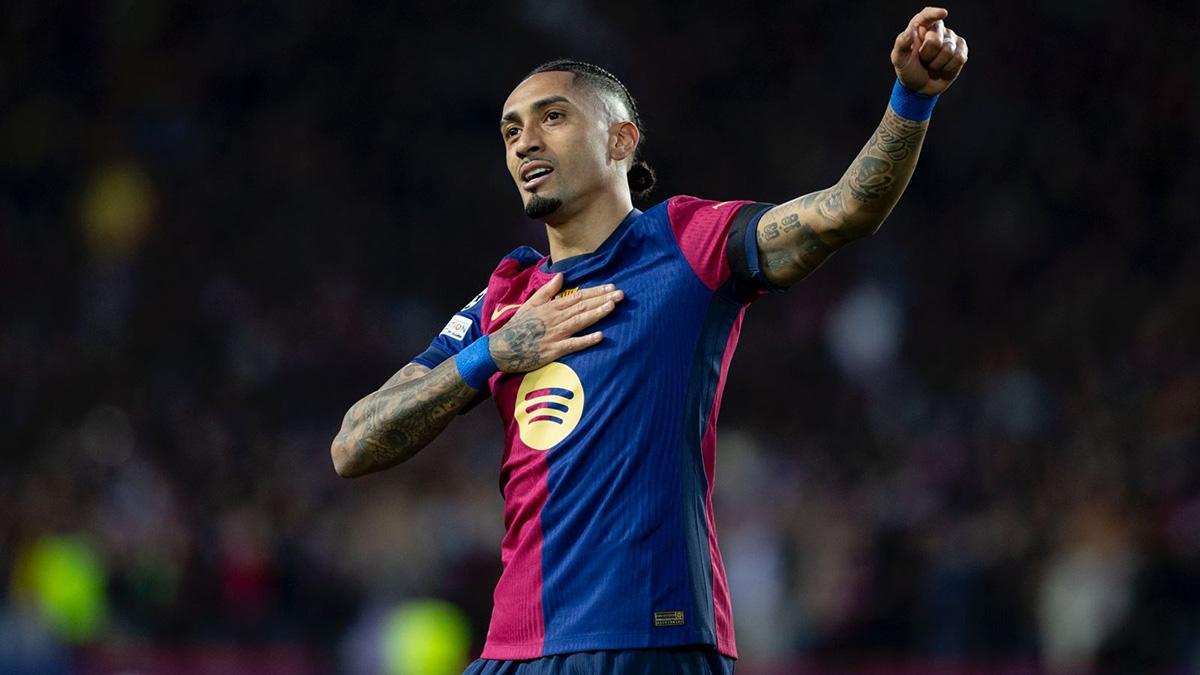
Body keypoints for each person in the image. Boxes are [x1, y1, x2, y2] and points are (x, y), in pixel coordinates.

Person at [331, 6, 968, 673]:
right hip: (514, 650)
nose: (523, 142)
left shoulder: (688, 243)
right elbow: (352, 444)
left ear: (619, 140)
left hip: (648, 641)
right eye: (510, 129)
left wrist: (911, 98)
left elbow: (846, 209)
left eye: (552, 117)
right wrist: (492, 352)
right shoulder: (502, 298)